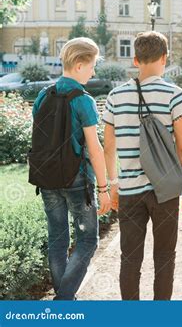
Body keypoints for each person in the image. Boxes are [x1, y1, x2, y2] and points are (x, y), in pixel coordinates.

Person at [102, 31, 182, 300]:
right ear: (165, 58)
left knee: (129, 257)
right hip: (165, 190)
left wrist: (113, 184)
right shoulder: (175, 95)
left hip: (129, 189)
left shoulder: (115, 97)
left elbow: (109, 147)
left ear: (135, 60)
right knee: (165, 256)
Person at [32, 37, 111, 300]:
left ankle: (65, 298)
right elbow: (95, 148)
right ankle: (64, 300)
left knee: (57, 239)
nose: (94, 71)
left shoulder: (43, 95)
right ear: (79, 65)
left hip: (47, 178)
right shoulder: (83, 99)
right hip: (78, 181)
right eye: (92, 66)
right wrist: (104, 187)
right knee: (88, 240)